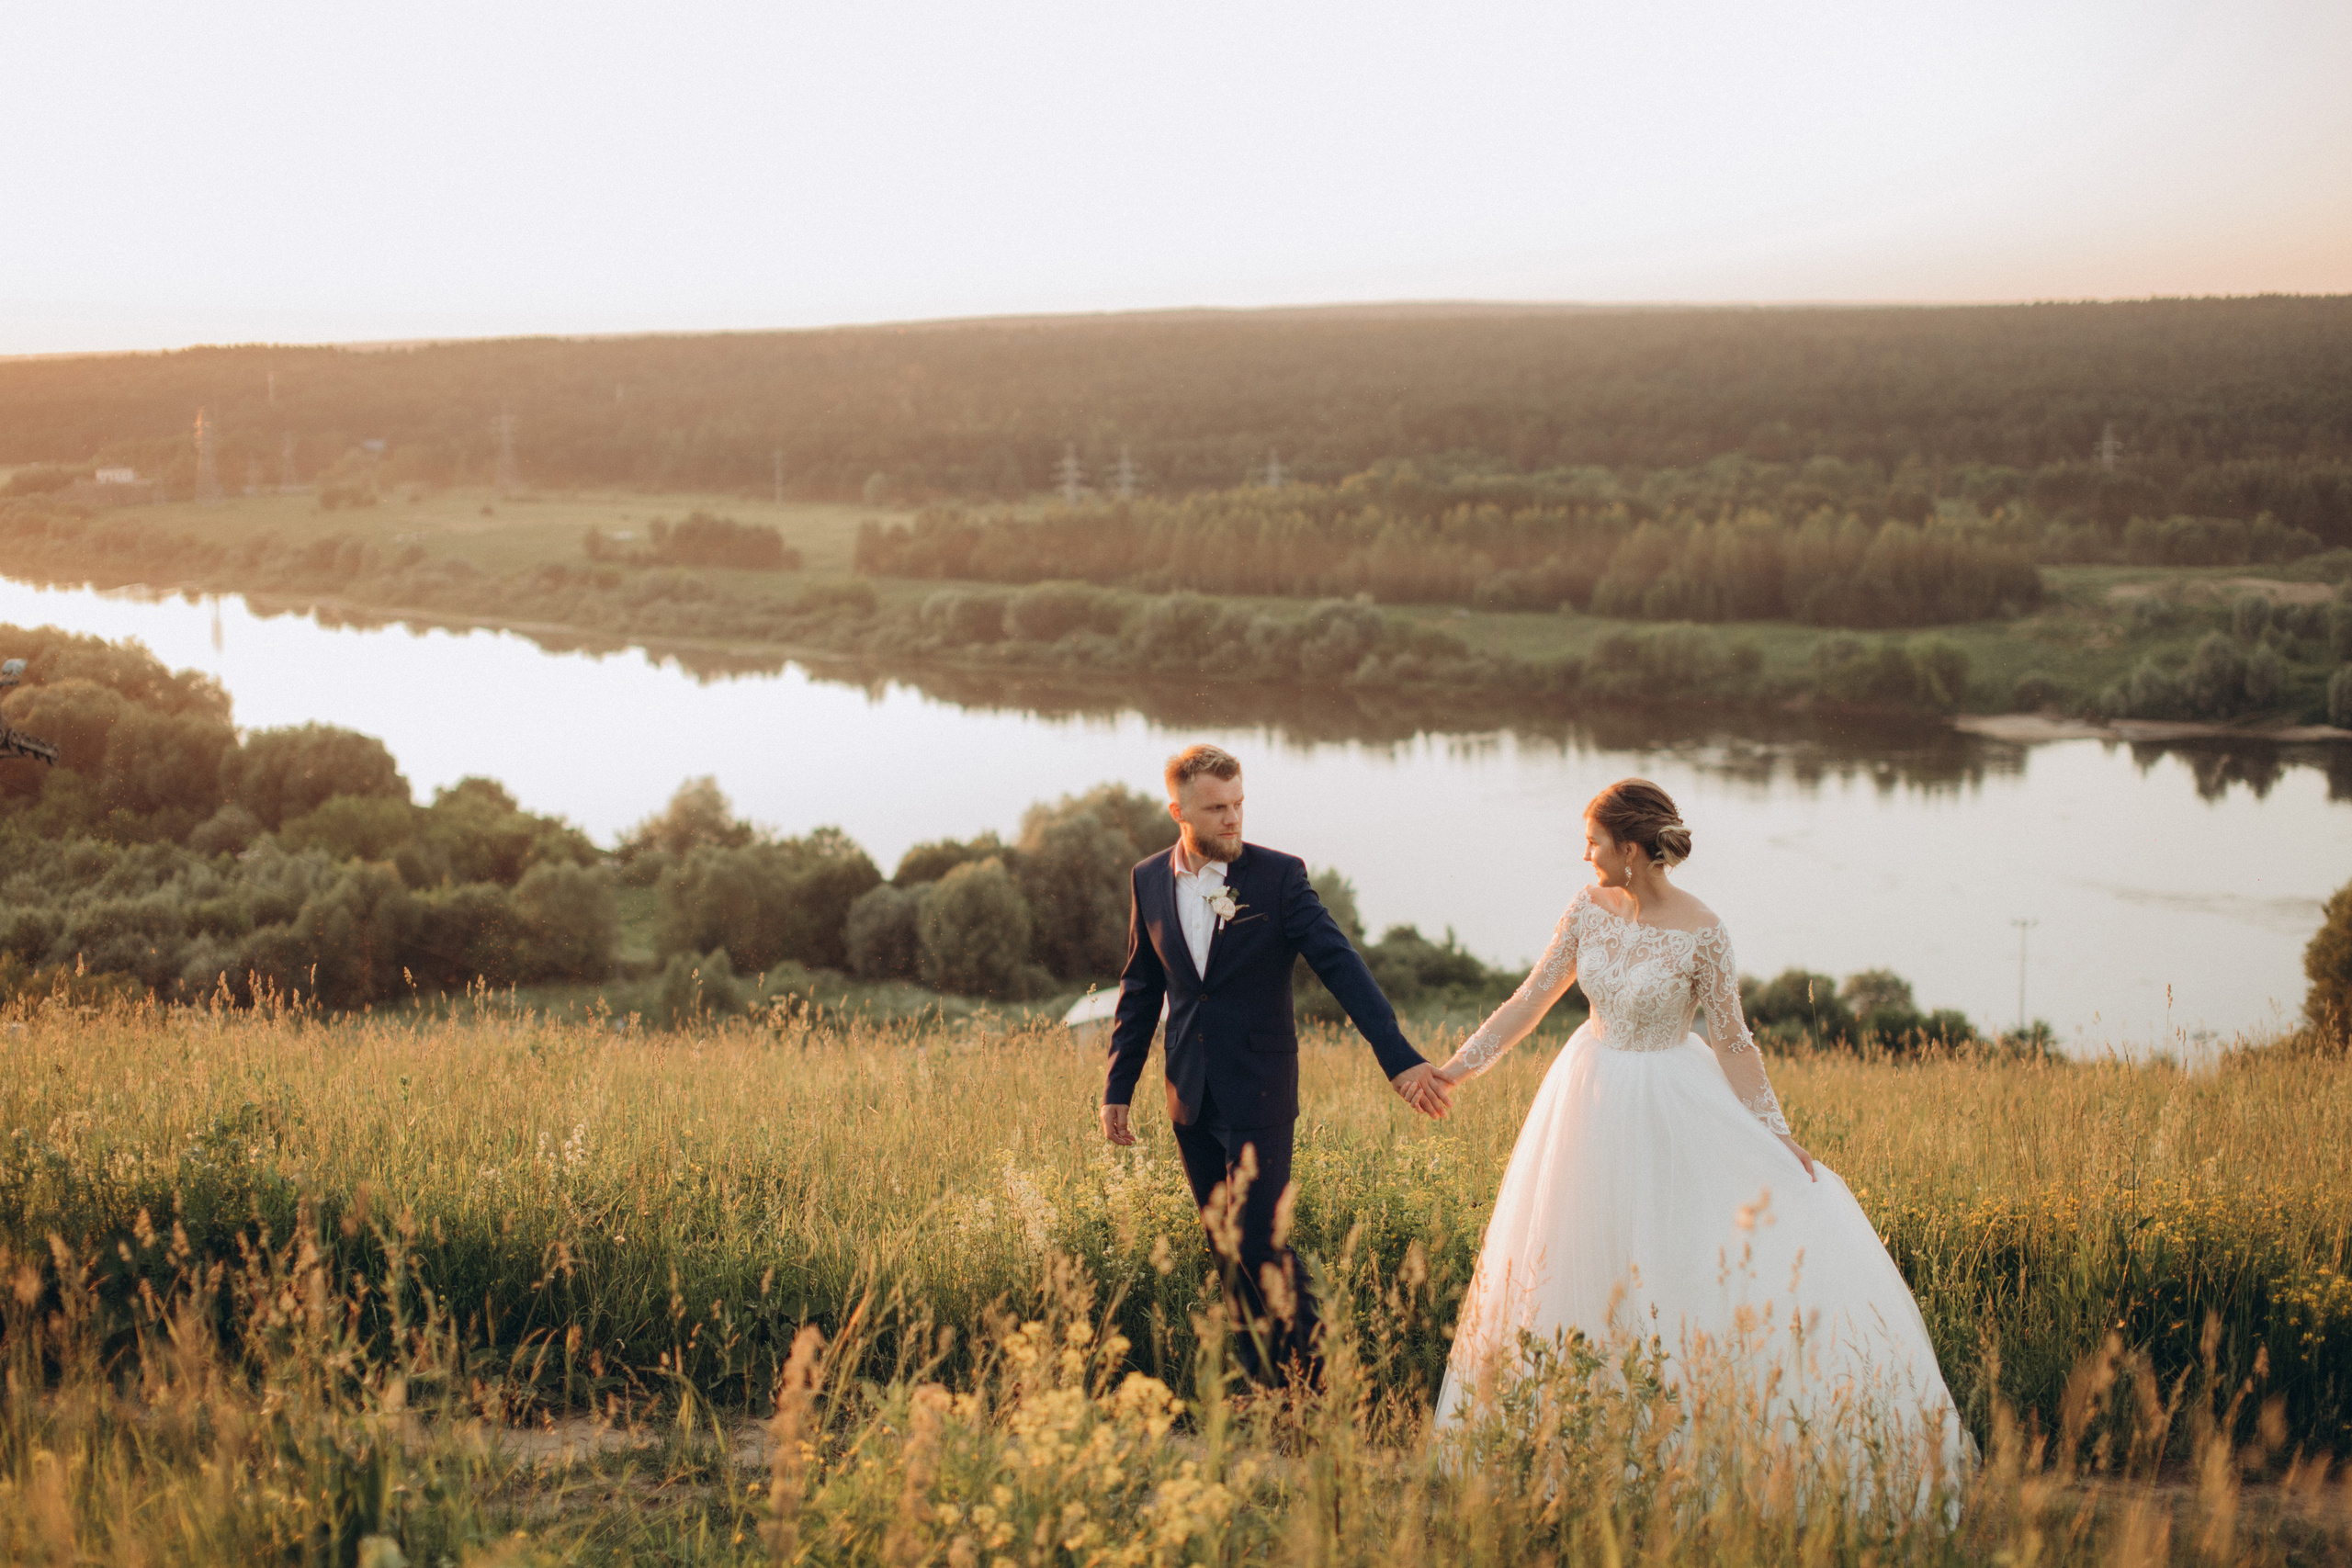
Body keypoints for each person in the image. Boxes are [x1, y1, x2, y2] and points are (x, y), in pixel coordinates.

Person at [1430, 778, 1967, 1489]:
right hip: (1586, 1095)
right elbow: (1531, 999)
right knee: (1576, 1257)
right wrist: (1456, 1070)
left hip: (1670, 1102)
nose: (1583, 853)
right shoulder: (1587, 908)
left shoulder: (1704, 930)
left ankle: (1678, 1447)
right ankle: (1571, 1437)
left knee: (1667, 1261)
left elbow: (1735, 1041)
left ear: (1632, 849)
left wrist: (1778, 1135)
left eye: (1594, 841)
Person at [1101, 743, 1451, 1382]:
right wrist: (1117, 1085)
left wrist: (1398, 1058)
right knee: (1225, 1247)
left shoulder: (1278, 877)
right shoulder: (1148, 878)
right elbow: (1141, 986)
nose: (1233, 819)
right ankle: (1264, 1380)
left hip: (1260, 1092)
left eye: (1239, 804)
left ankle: (1316, 1382)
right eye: (1216, 809)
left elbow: (1342, 966)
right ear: (1177, 809)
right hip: (1189, 1094)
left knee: (1261, 1241)